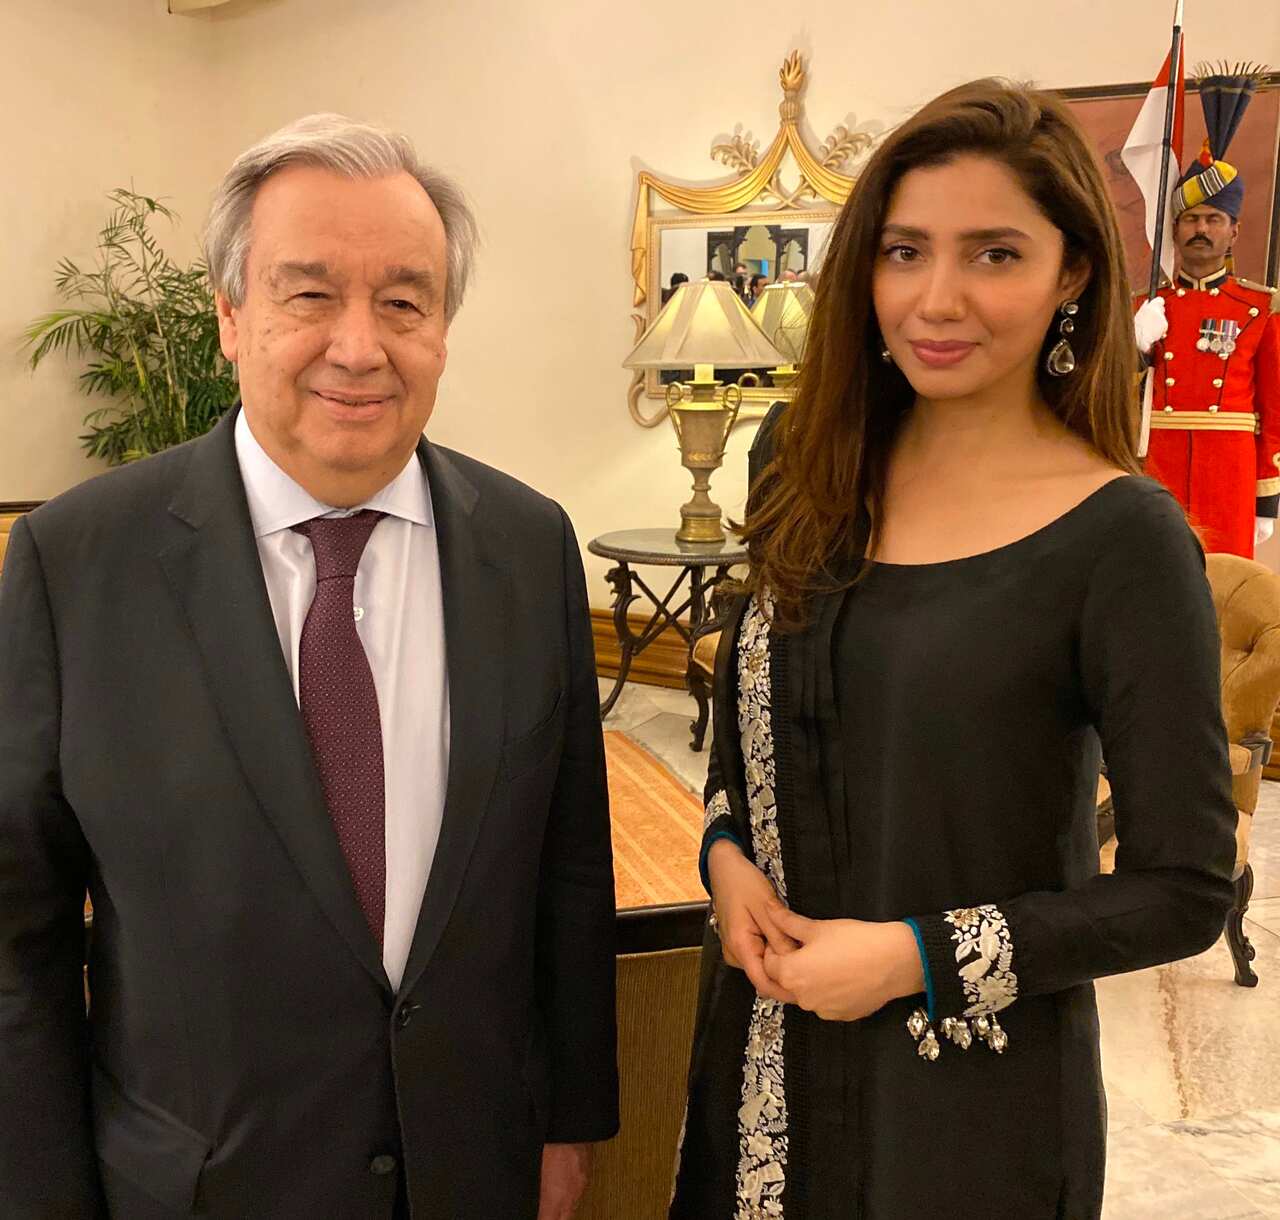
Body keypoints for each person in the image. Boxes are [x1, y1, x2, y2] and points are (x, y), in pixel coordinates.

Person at [0, 114, 618, 1219]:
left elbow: (565, 876)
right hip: (194, 1188)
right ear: (230, 317)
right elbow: (18, 933)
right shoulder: (75, 563)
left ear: (442, 327)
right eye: (308, 293)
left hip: (468, 1174)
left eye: (403, 300)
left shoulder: (528, 545)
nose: (359, 344)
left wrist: (568, 1123)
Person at [671, 79, 1236, 1219]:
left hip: (966, 1105)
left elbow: (1184, 887)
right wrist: (725, 858)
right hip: (761, 1061)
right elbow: (749, 735)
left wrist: (910, 956)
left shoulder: (1119, 536)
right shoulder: (801, 455)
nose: (936, 299)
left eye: (992, 255)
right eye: (903, 251)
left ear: (1070, 271)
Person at [1133, 67, 1280, 558]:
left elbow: (1273, 408)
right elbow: (1109, 398)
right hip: (1157, 461)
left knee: (1226, 586)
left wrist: (1268, 497)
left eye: (1214, 219)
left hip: (1230, 469)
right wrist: (1131, 350)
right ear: (1174, 230)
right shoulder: (1144, 307)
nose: (1201, 228)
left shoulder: (1261, 308)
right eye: (1191, 218)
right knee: (1154, 574)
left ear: (1233, 232)